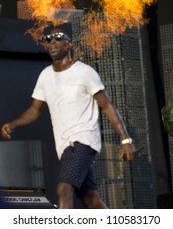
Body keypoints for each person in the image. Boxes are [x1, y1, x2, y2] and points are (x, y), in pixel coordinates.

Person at [1, 24, 135, 209]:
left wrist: (125, 139)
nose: (52, 42)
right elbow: (34, 110)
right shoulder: (45, 76)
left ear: (69, 45)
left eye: (58, 38)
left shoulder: (84, 72)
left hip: (82, 140)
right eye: (48, 39)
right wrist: (14, 124)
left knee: (64, 189)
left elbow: (107, 105)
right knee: (90, 198)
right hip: (64, 146)